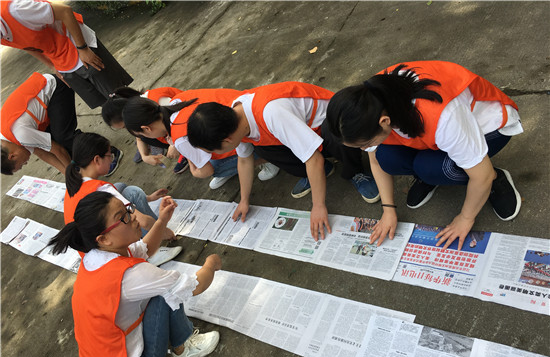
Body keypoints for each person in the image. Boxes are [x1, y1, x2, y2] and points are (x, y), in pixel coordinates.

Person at [326, 60, 523, 250]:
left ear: (384, 121)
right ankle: (432, 174)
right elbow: (375, 161)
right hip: (433, 133)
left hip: (489, 127)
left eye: (365, 144)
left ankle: (496, 179)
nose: (363, 150)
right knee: (386, 157)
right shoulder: (370, 102)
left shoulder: (444, 117)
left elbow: (482, 176)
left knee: (434, 169)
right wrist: (388, 210)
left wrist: (465, 219)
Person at [48, 191, 222, 357]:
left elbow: (144, 249)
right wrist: (211, 264)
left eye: (127, 210)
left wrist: (161, 221)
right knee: (165, 293)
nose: (133, 218)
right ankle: (183, 350)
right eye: (123, 217)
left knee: (159, 287)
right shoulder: (130, 275)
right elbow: (195, 286)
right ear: (103, 238)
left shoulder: (96, 257)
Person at [186, 81, 379, 241]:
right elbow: (244, 161)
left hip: (330, 123)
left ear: (226, 141)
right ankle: (322, 172)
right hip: (303, 134)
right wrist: (244, 200)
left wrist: (318, 206)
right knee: (261, 147)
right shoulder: (234, 120)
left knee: (336, 132)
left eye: (212, 151)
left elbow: (314, 159)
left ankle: (356, 171)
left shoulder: (271, 113)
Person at [122, 90, 280, 189]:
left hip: (247, 134)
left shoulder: (179, 137)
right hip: (247, 104)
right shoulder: (175, 102)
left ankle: (268, 157)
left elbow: (205, 171)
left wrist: (192, 165)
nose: (143, 138)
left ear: (146, 129)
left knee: (214, 169)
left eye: (142, 135)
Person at [64, 132, 179, 264]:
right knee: (133, 192)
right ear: (96, 160)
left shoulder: (75, 184)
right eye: (109, 156)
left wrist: (149, 198)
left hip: (93, 251)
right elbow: (144, 222)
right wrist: (164, 230)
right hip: (113, 253)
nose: (111, 159)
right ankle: (151, 251)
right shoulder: (102, 189)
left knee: (121, 187)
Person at [1, 0, 133, 109]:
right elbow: (26, 45)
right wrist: (53, 67)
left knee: (117, 93)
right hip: (59, 59)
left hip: (75, 43)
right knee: (102, 102)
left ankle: (145, 122)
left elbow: (65, 11)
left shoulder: (17, 10)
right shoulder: (3, 35)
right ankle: (136, 126)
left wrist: (83, 48)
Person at [102, 86, 189, 173]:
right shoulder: (138, 111)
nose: (129, 130)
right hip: (179, 128)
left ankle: (188, 148)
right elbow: (139, 138)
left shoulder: (157, 101)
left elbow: (186, 118)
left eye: (125, 126)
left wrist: (175, 143)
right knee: (143, 136)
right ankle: (185, 149)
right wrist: (144, 156)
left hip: (192, 122)